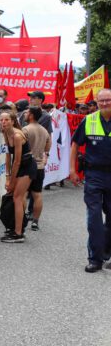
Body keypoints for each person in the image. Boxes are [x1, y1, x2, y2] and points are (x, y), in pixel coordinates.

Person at [70, 88, 111, 272]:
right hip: (94, 175)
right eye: (102, 100)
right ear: (97, 102)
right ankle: (95, 259)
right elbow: (75, 144)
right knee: (94, 218)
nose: (105, 103)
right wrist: (72, 169)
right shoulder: (89, 120)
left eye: (108, 100)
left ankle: (106, 251)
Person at [0, 110, 36, 243]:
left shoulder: (17, 135)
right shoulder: (5, 133)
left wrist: (12, 181)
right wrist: (7, 177)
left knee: (17, 197)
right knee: (18, 197)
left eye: (6, 120)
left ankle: (18, 233)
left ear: (13, 121)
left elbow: (17, 161)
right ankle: (18, 226)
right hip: (20, 165)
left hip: (27, 166)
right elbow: (8, 156)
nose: (3, 122)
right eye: (1, 120)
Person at [23, 106, 51, 231]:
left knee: (23, 194)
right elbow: (47, 148)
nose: (25, 114)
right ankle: (35, 222)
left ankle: (21, 218)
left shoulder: (25, 129)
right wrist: (45, 157)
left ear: (31, 115)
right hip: (39, 166)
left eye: (27, 113)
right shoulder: (44, 130)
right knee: (37, 194)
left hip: (27, 165)